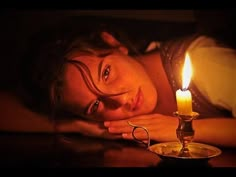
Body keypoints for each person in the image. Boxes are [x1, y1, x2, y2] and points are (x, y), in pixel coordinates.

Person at [3, 17, 236, 148]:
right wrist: (78, 126)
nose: (121, 100)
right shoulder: (99, 121)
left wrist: (182, 130)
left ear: (112, 43)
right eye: (95, 106)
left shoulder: (204, 62)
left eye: (106, 73)